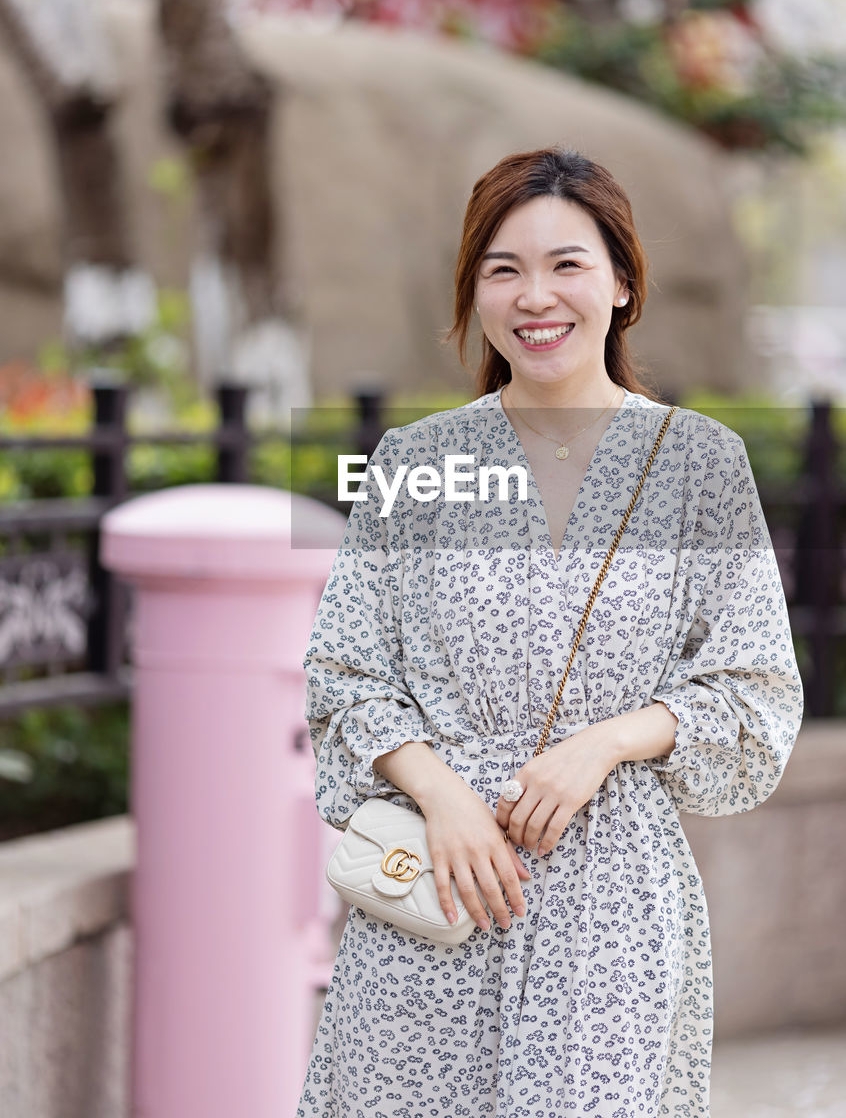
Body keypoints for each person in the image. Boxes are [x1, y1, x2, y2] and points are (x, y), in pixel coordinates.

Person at [296, 145, 804, 1117]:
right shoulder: (415, 463)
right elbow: (342, 672)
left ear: (620, 281)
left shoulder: (695, 463)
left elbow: (753, 690)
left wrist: (605, 743)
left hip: (608, 905)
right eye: (503, 268)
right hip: (427, 900)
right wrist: (439, 792)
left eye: (565, 263)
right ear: (473, 294)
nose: (536, 295)